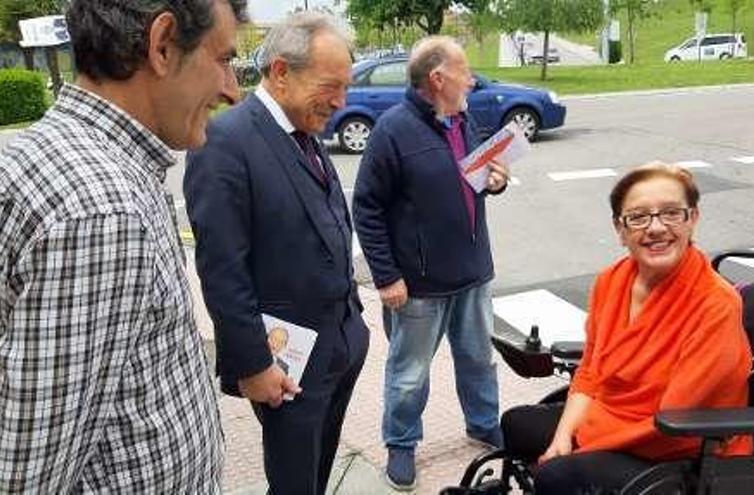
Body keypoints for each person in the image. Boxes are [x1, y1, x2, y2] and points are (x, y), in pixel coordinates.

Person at [0, 0, 247, 492]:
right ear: (161, 45)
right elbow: (26, 477)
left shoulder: (49, 153)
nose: (232, 90)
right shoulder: (104, 210)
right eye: (222, 59)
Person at [184, 13, 368, 495]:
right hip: (285, 369)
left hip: (341, 344)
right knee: (293, 484)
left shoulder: (302, 128)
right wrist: (251, 365)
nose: (341, 102)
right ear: (282, 72)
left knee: (316, 473)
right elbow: (222, 270)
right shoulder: (226, 142)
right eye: (331, 86)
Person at [501, 163, 754, 494]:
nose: (656, 228)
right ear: (620, 230)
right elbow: (591, 372)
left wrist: (584, 441)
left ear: (692, 219)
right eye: (638, 217)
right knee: (515, 423)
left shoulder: (716, 303)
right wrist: (564, 435)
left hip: (679, 445)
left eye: (671, 214)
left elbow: (674, 415)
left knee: (557, 475)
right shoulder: (611, 281)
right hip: (614, 420)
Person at [352, 35, 510, 490]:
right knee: (408, 374)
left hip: (474, 271)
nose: (472, 78)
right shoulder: (393, 130)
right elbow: (366, 207)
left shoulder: (462, 118)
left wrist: (495, 181)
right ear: (437, 79)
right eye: (463, 70)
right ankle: (401, 444)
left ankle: (483, 424)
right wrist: (386, 276)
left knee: (479, 359)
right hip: (418, 284)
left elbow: (477, 177)